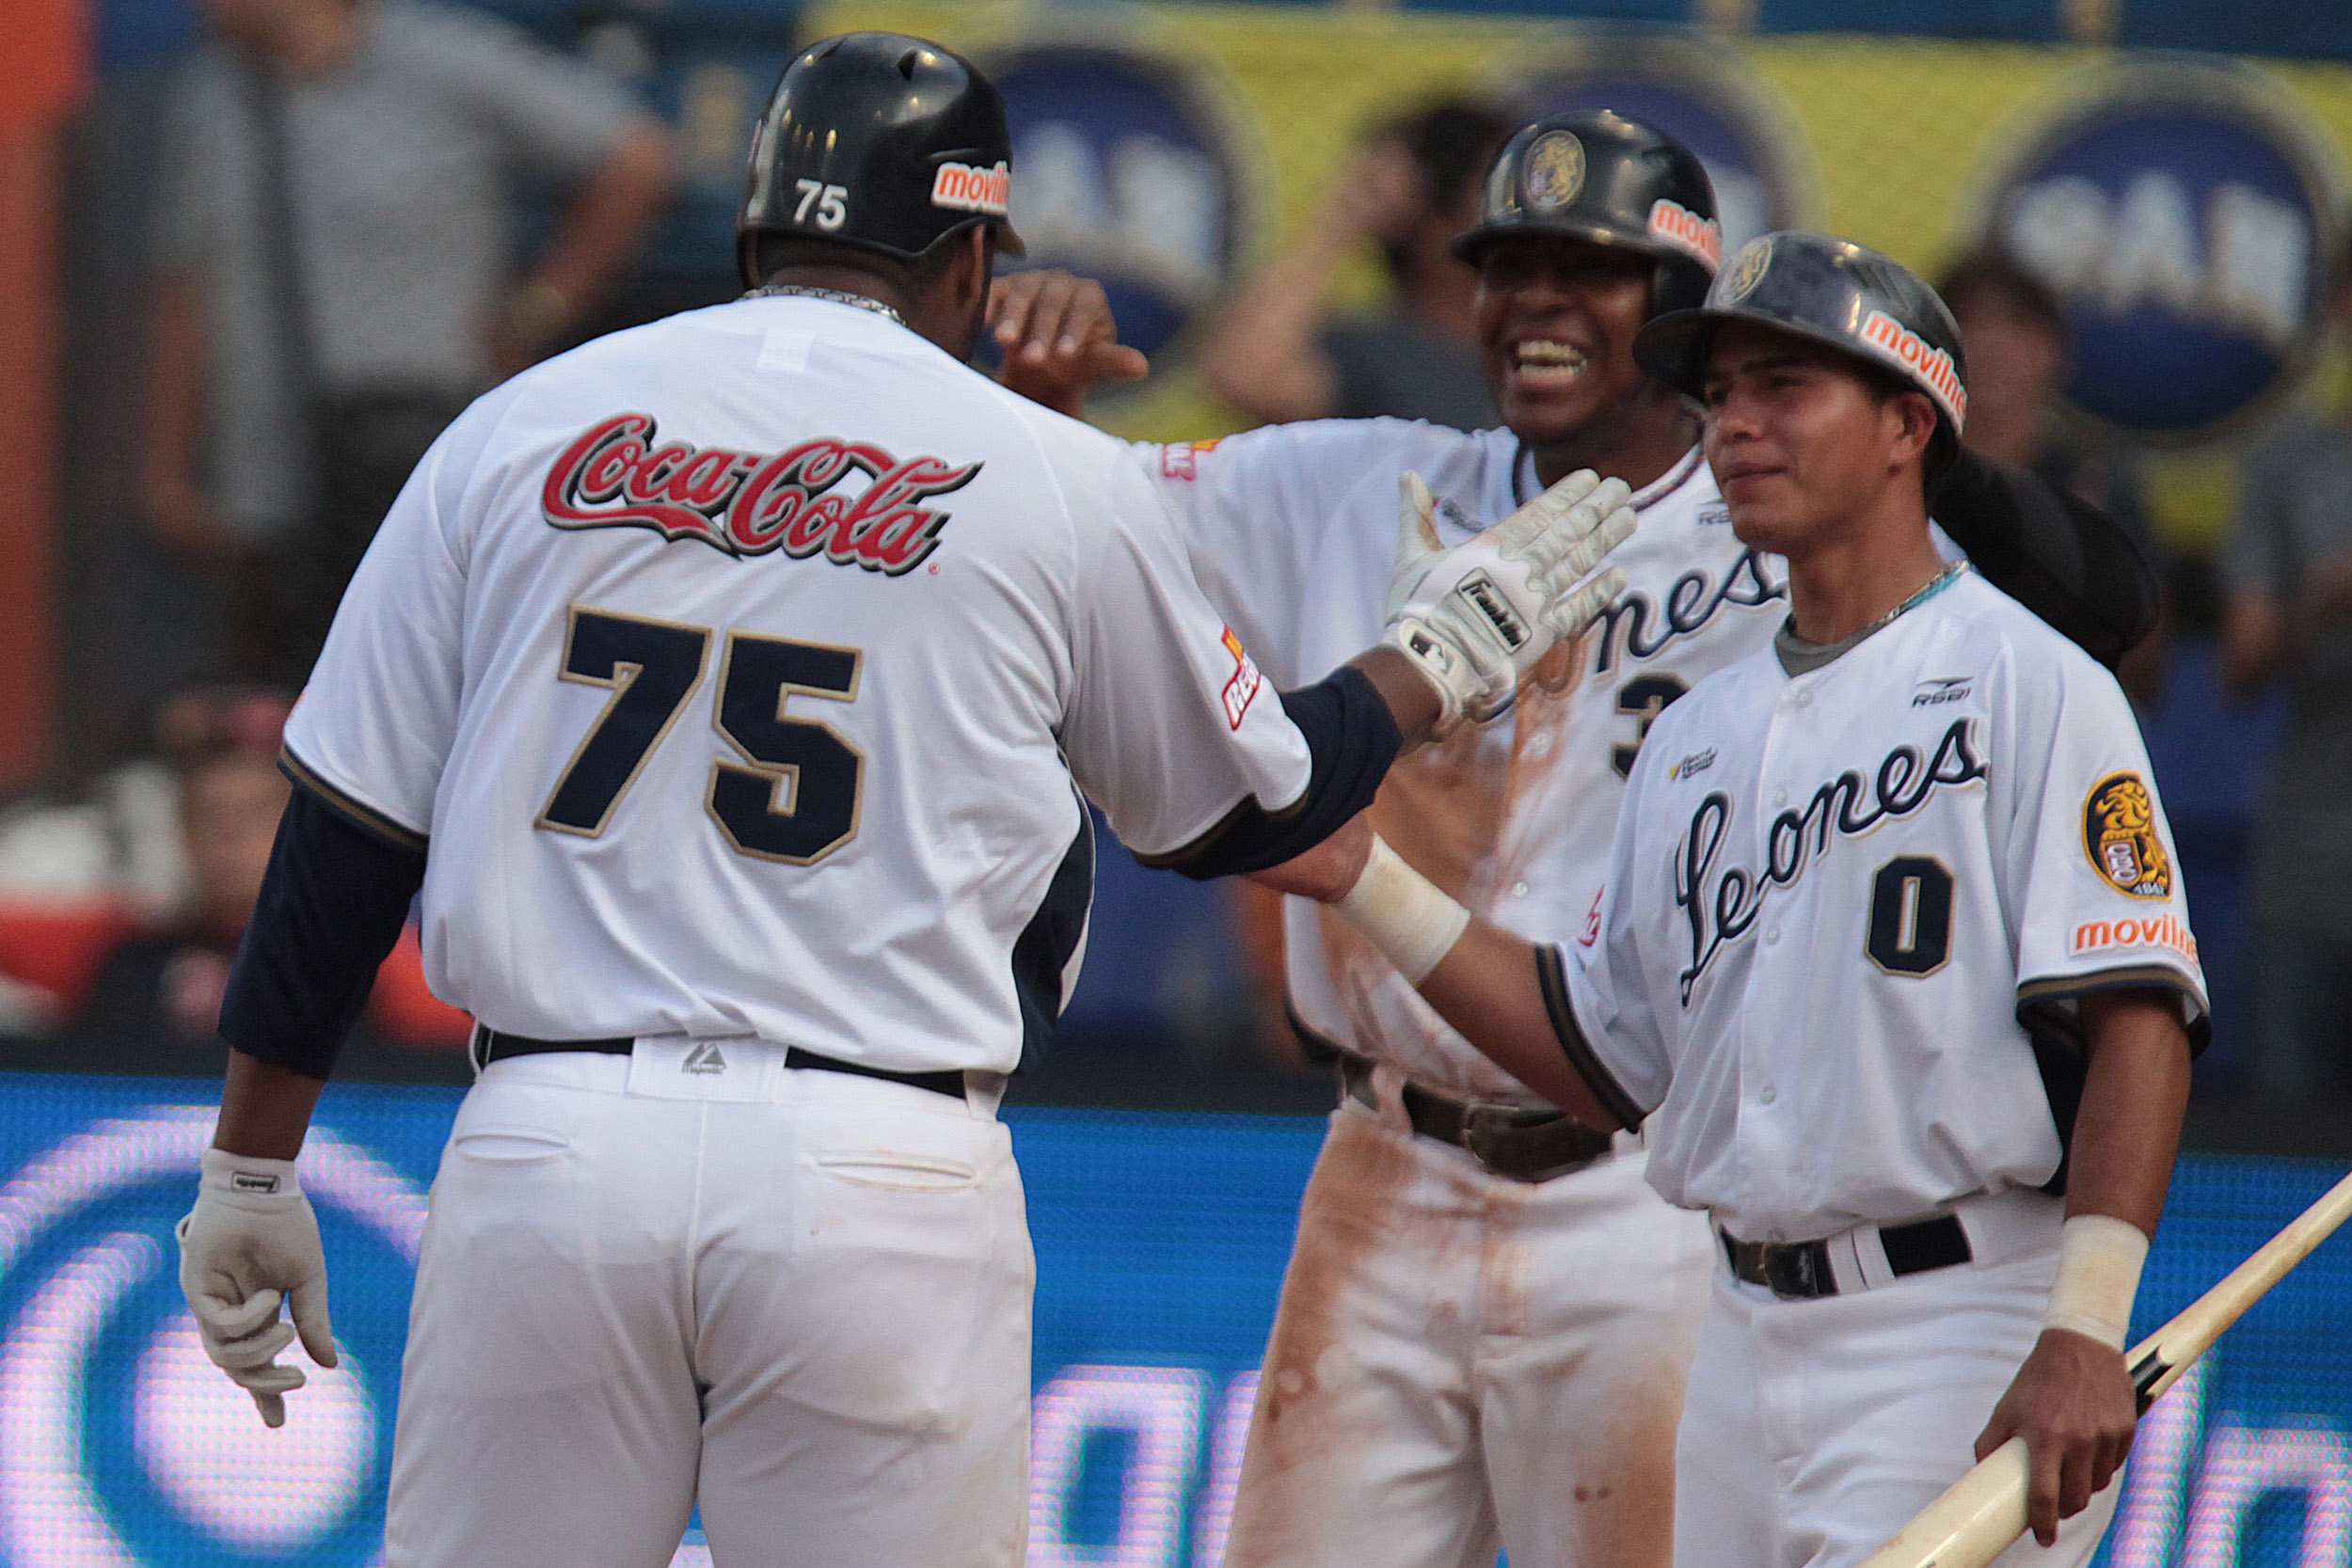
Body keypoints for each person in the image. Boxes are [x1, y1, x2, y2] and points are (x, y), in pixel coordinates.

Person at [167, 33, 1637, 1568]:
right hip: (872, 1163)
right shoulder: (1045, 472)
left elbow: (346, 832)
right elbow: (1244, 817)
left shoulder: (524, 422)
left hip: (553, 1140)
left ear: (758, 231)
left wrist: (253, 1161)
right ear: (972, 255)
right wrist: (1423, 663)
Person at [988, 113, 2155, 1568]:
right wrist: (1031, 409)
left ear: (1681, 310)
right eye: (1508, 267)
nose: (1534, 300)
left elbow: (2102, 605)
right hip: (1384, 1156)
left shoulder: (1784, 519)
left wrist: (1874, 389)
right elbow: (1066, 524)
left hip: (1640, 1198)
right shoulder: (1358, 482)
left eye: (1586, 270)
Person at [1281, 232, 2205, 1568]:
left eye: (1785, 385)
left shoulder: (2030, 678)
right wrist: (1358, 872)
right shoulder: (1698, 731)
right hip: (1734, 1333)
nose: (1736, 423)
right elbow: (1603, 1053)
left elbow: (2139, 1017)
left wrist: (2082, 1325)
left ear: (1906, 423)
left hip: (1953, 1322)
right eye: (1721, 392)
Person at [140, 0, 674, 687]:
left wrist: (537, 311)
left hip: (420, 471)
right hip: (268, 489)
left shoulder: (445, 60)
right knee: (275, 724)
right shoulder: (209, 97)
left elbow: (636, 157)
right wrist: (167, 464)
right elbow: (184, 286)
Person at [2218, 245, 2352, 1105]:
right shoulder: (2288, 463)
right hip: (2310, 861)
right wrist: (2322, 599)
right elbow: (2239, 669)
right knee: (2287, 1149)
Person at [1198, 99, 1512, 431]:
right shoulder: (1372, 355)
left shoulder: (1542, 344)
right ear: (1434, 226)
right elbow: (1243, 377)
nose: (1518, 217)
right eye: (1494, 196)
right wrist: (1348, 213)